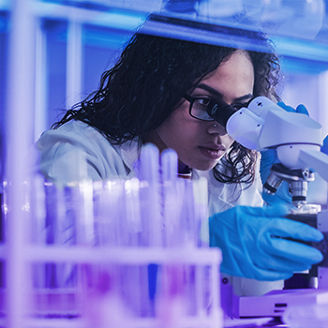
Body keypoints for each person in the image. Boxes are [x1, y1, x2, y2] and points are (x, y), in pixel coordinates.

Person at [36, 24, 323, 296]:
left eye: (239, 109)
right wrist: (201, 243)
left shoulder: (231, 170)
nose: (221, 128)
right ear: (155, 89)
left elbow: (253, 296)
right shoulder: (79, 152)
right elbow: (65, 278)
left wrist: (277, 210)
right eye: (205, 103)